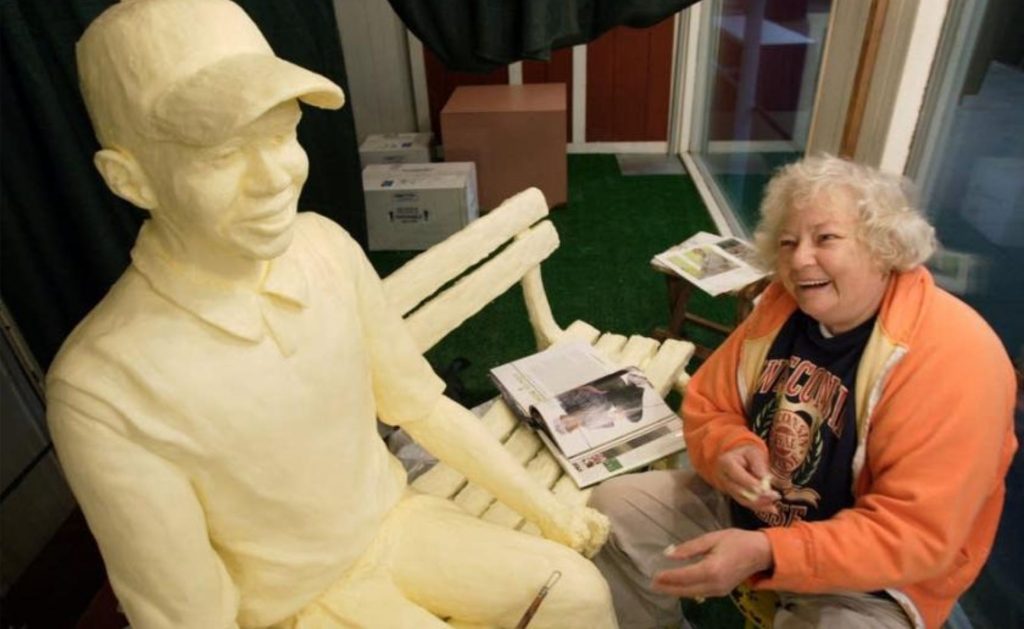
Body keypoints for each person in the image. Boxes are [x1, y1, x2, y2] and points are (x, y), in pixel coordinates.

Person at [46, 1, 615, 627]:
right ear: (130, 180)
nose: (273, 178)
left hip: (399, 525)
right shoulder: (103, 384)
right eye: (219, 155)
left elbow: (418, 404)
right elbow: (184, 613)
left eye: (282, 133)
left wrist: (546, 509)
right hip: (294, 606)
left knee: (580, 597)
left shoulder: (322, 246)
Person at [588, 154, 1017, 629]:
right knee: (613, 514)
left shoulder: (956, 355)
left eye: (826, 238)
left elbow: (914, 536)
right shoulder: (781, 307)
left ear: (883, 246)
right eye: (788, 242)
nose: (798, 258)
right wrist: (730, 447)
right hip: (751, 516)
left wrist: (771, 551)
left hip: (871, 579)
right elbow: (710, 404)